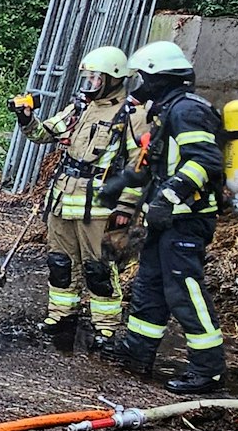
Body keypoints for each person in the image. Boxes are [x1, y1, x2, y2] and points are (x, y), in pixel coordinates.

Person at [105, 40, 227, 393]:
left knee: (184, 290)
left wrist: (168, 198)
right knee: (149, 286)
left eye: (143, 76)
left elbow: (204, 161)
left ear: (159, 77)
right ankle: (137, 352)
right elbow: (153, 163)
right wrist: (121, 186)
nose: (139, 83)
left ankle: (208, 370)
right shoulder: (165, 111)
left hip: (187, 219)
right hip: (164, 220)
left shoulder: (187, 110)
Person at [10, 46, 150, 350]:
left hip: (99, 205)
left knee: (98, 269)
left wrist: (126, 207)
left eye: (96, 78)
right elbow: (43, 134)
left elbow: (139, 165)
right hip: (63, 199)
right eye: (87, 77)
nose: (90, 83)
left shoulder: (131, 114)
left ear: (113, 79)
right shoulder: (80, 108)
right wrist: (26, 119)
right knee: (60, 263)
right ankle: (61, 316)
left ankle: (106, 328)